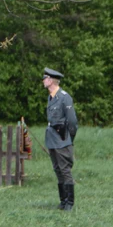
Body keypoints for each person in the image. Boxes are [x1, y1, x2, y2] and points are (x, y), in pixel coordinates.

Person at [43, 67, 78, 210]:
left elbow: (72, 122)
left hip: (62, 139)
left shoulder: (64, 97)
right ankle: (63, 201)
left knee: (65, 170)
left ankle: (69, 203)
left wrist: (69, 138)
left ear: (51, 80)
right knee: (57, 169)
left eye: (45, 78)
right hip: (52, 139)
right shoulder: (51, 97)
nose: (43, 81)